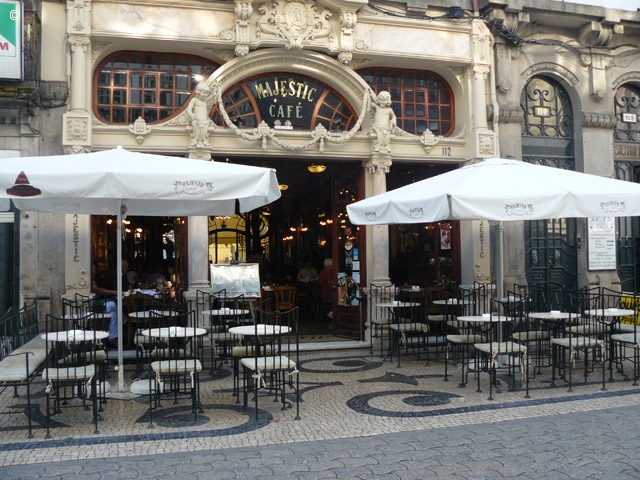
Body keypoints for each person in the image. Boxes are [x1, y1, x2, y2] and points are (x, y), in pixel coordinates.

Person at [91, 260, 129, 348]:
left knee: (113, 314)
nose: (94, 272)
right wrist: (113, 292)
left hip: (99, 303)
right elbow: (97, 289)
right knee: (112, 305)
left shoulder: (93, 279)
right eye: (92, 270)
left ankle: (113, 337)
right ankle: (123, 320)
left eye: (94, 270)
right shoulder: (88, 279)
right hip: (93, 305)